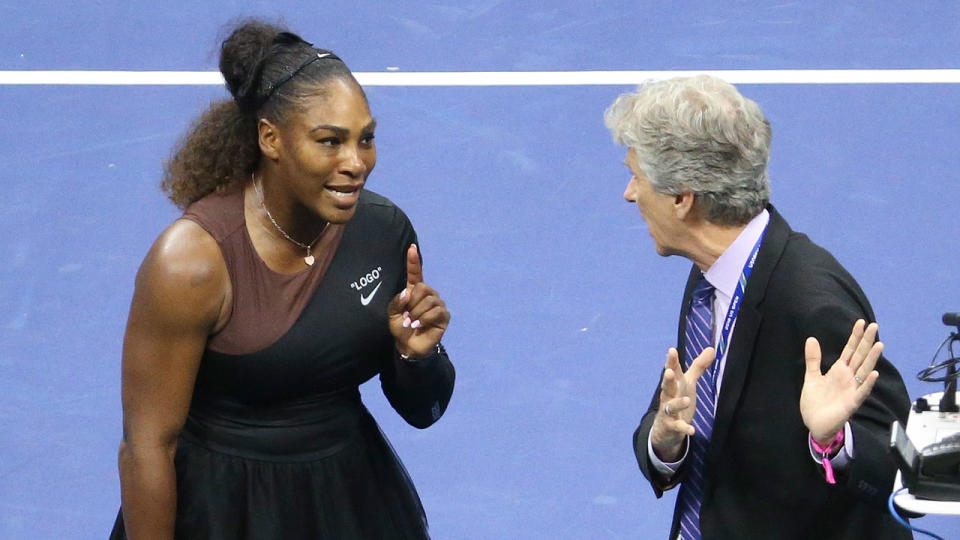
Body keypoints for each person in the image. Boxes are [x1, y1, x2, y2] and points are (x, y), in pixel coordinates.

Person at [110, 19, 454, 540]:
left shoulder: (384, 231)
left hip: (348, 499)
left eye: (366, 139)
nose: (356, 163)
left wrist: (415, 356)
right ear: (271, 138)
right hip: (223, 509)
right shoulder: (192, 263)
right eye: (329, 141)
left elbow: (423, 411)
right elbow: (147, 446)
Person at [604, 75, 912, 539]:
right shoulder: (713, 274)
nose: (629, 194)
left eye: (637, 176)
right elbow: (688, 420)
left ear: (683, 199)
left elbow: (899, 468)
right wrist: (665, 440)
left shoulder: (812, 302)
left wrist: (833, 442)